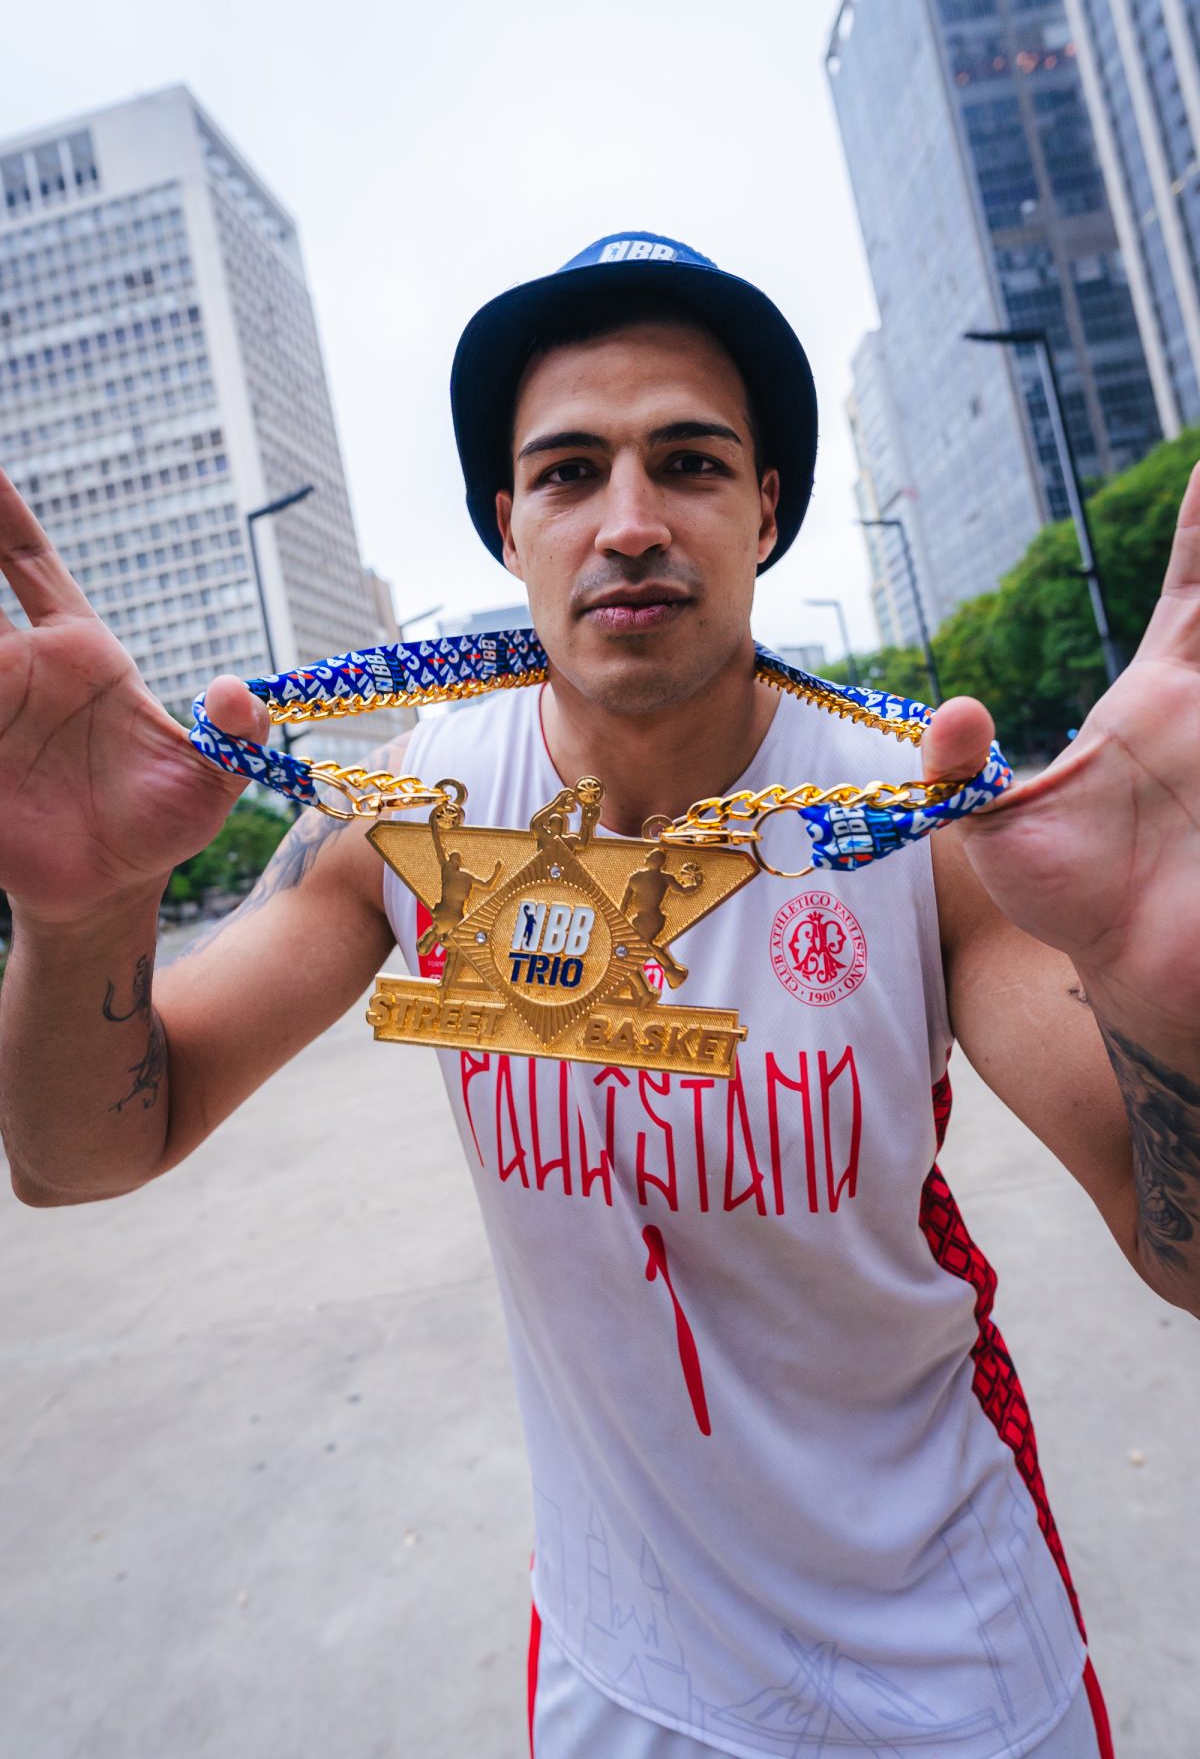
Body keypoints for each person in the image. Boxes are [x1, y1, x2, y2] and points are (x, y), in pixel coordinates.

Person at [2, 230, 1198, 1759]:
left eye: (689, 463)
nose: (629, 524)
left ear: (766, 511)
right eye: (570, 474)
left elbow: (1179, 1248)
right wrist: (85, 915)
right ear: (511, 528)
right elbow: (81, 1157)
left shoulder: (915, 815)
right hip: (619, 1675)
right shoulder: (413, 813)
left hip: (951, 1663)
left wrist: (1165, 1003)